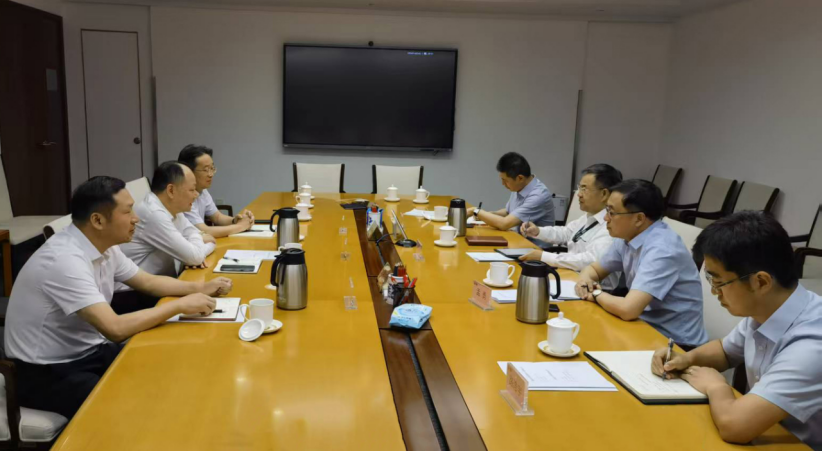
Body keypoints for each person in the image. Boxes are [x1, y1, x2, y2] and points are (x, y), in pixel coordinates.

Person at [3, 176, 232, 420]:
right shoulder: (64, 260)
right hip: (44, 371)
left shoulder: (105, 245)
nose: (136, 218)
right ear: (98, 220)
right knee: (128, 407)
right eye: (127, 211)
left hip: (88, 351)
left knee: (163, 368)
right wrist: (179, 305)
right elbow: (115, 328)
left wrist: (200, 288)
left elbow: (148, 282)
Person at [651, 212, 821, 449]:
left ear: (761, 282)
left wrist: (716, 386)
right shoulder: (771, 308)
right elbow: (725, 351)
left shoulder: (812, 345)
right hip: (764, 430)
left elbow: (735, 426)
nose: (714, 292)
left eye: (719, 282)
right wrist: (686, 358)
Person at [574, 179, 707, 348]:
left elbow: (628, 309)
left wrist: (596, 293)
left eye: (612, 212)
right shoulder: (627, 236)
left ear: (638, 219)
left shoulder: (663, 249)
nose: (606, 218)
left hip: (674, 344)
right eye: (607, 210)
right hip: (641, 326)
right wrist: (585, 281)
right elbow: (594, 269)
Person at [116, 162, 217, 312]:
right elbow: (195, 257)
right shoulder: (153, 213)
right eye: (191, 190)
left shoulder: (171, 207)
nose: (196, 195)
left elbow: (193, 234)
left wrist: (197, 244)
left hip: (159, 285)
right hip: (133, 294)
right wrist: (203, 244)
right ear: (171, 190)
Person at [519, 163, 622, 290]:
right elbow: (566, 232)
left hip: (596, 289)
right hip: (571, 277)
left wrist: (544, 257)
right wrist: (538, 231)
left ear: (604, 194)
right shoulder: (588, 216)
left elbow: (590, 260)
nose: (579, 194)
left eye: (584, 189)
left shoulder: (611, 225)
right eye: (579, 188)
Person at [467, 152, 555, 240]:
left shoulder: (538, 196)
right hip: (517, 239)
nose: (503, 184)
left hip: (533, 246)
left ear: (520, 178)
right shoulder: (520, 186)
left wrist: (475, 211)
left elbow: (504, 224)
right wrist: (488, 215)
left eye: (505, 180)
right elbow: (508, 212)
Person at [177, 144, 255, 237]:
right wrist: (241, 226)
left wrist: (235, 221)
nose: (211, 174)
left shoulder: (203, 190)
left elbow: (217, 217)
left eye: (212, 168)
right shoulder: (183, 196)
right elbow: (204, 231)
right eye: (206, 169)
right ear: (188, 171)